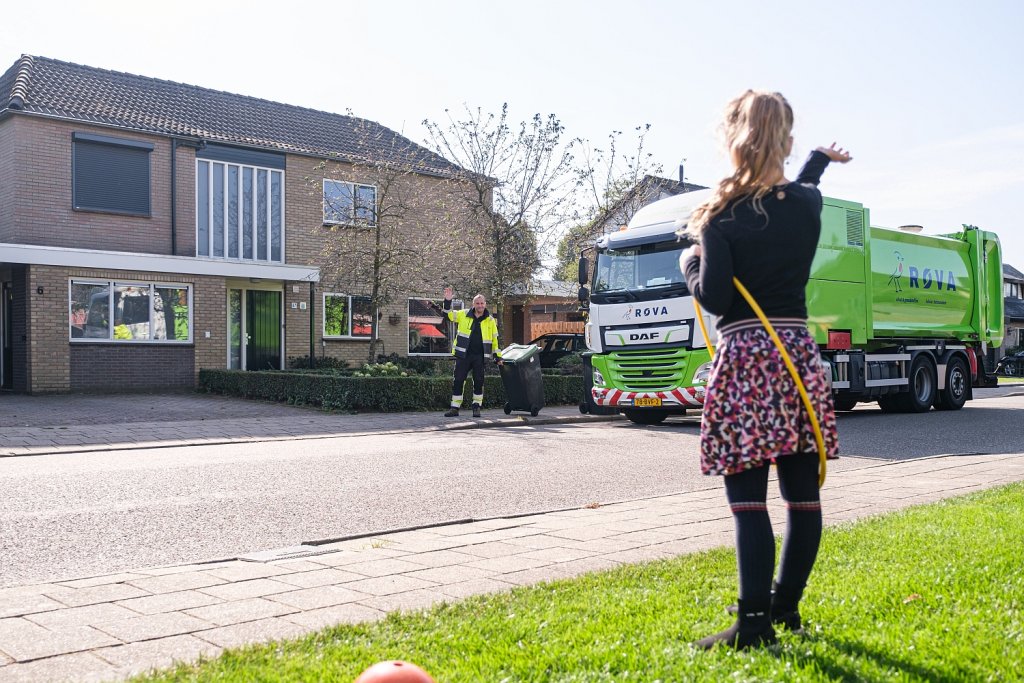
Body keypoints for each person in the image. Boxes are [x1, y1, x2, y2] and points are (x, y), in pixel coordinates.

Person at [679, 90, 851, 650]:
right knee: (804, 496)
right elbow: (802, 187)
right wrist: (820, 161)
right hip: (797, 354)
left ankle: (752, 625)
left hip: (748, 356)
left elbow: (716, 296)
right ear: (787, 140)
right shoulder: (806, 205)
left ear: (733, 138)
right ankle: (788, 611)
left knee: (749, 501)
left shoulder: (720, 216)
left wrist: (691, 263)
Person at [441, 287, 502, 418]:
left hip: (480, 356)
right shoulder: (463, 314)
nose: (480, 305)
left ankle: (476, 407)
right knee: (458, 380)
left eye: (482, 303)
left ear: (485, 304)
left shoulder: (490, 320)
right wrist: (447, 301)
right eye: (477, 303)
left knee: (479, 381)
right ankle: (455, 408)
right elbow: (447, 315)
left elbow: (495, 339)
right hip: (463, 355)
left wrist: (498, 356)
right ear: (473, 304)